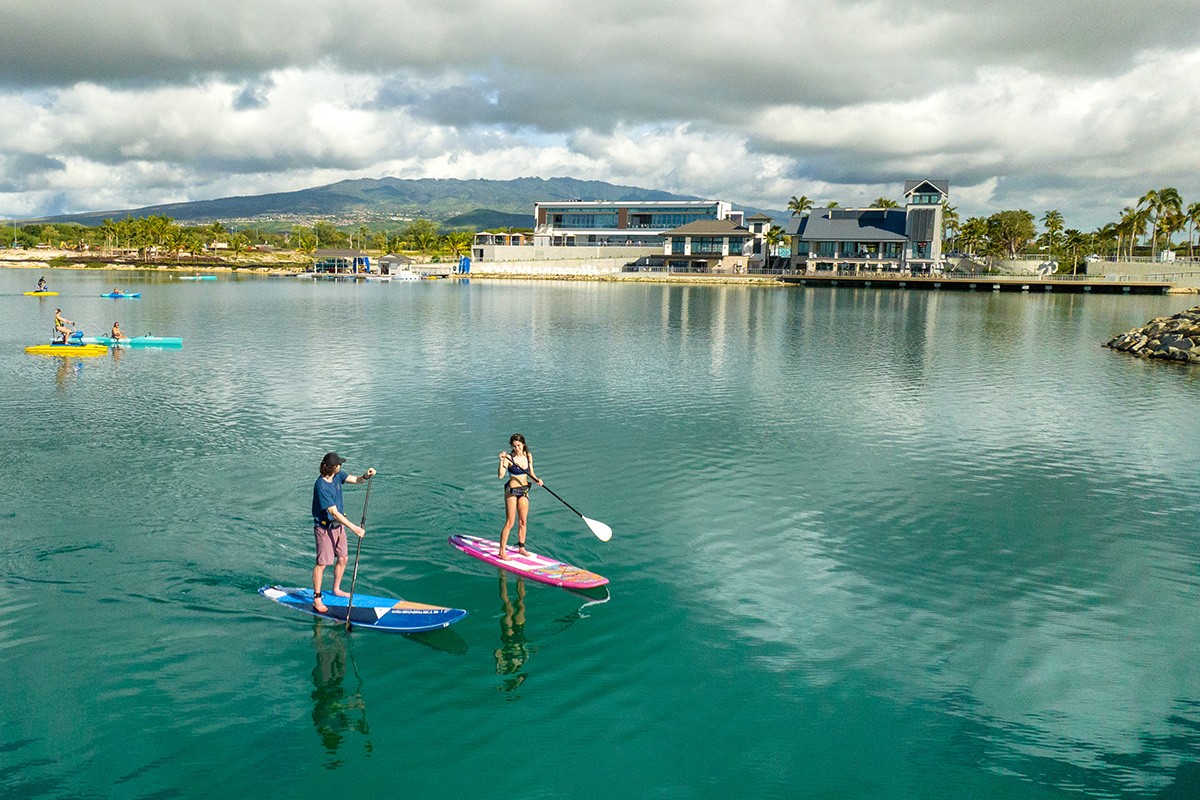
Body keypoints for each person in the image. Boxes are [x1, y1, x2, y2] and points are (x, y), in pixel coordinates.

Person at [311, 452, 376, 613]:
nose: (341, 465)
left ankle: (336, 589)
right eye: (339, 464)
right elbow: (334, 512)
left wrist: (365, 476)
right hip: (324, 529)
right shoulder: (321, 486)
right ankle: (317, 599)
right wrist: (354, 528)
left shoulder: (338, 475)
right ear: (332, 467)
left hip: (338, 527)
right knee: (322, 564)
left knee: (343, 558)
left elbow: (356, 480)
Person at [497, 433, 542, 559]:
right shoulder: (508, 458)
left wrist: (537, 480)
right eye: (514, 446)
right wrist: (501, 462)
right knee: (510, 522)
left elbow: (531, 474)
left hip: (524, 490)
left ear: (523, 444)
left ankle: (521, 547)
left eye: (519, 445)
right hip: (511, 491)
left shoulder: (528, 456)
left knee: (523, 521)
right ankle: (501, 552)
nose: (517, 448)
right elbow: (500, 475)